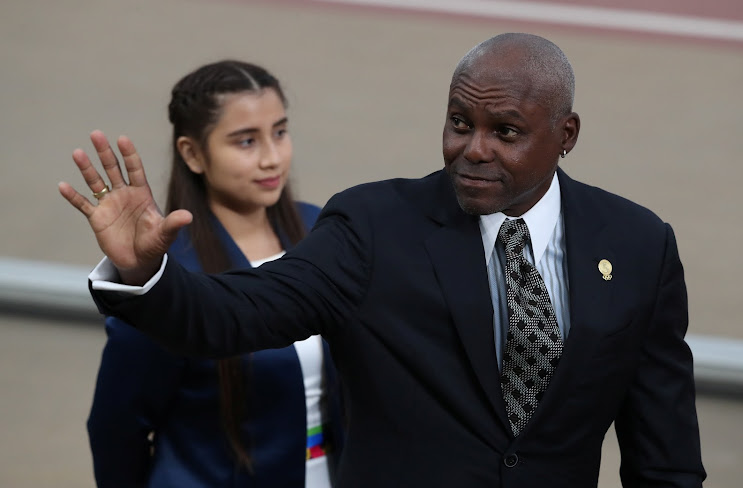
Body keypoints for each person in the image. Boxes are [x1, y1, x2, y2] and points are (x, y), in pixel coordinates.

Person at [60, 33, 706, 487]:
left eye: (504, 132)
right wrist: (145, 274)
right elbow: (236, 314)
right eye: (459, 122)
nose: (472, 149)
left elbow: (665, 454)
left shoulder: (637, 244)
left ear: (565, 136)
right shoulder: (373, 225)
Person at [83, 60, 344, 488]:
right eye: (246, 141)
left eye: (279, 132)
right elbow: (117, 427)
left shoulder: (324, 231)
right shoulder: (165, 273)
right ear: (193, 153)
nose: (272, 157)